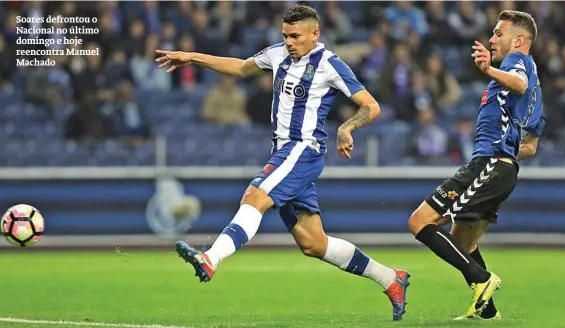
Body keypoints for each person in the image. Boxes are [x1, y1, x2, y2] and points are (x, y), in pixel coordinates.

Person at [155, 4, 410, 321]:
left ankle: (211, 258)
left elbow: (371, 106)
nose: (289, 42)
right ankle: (391, 278)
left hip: (302, 150)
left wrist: (346, 128)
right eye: (285, 35)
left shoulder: (330, 64)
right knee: (313, 243)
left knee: (255, 197)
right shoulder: (277, 54)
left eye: (295, 36)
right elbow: (240, 67)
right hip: (284, 151)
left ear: (315, 34)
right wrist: (192, 57)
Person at [406, 10, 544, 320]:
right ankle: (488, 312)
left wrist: (488, 69)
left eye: (498, 33)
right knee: (463, 241)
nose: (493, 39)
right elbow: (531, 147)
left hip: (490, 164)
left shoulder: (515, 64)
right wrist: (506, 154)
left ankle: (483, 279)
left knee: (420, 222)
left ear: (518, 39)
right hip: (502, 168)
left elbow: (518, 84)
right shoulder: (537, 93)